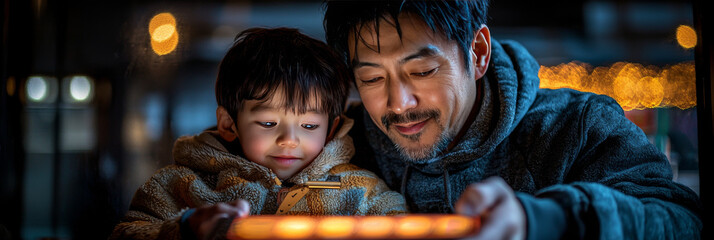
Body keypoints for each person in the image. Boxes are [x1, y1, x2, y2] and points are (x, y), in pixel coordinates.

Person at [323, 0, 702, 239]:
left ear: (479, 53)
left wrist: (543, 219)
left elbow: (681, 221)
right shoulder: (339, 147)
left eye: (422, 71)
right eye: (372, 78)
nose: (399, 104)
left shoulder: (578, 126)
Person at [110, 27, 406, 240]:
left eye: (309, 126)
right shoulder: (182, 183)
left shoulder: (360, 190)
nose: (289, 140)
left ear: (331, 129)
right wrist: (185, 228)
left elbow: (404, 228)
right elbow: (128, 232)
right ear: (228, 124)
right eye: (268, 123)